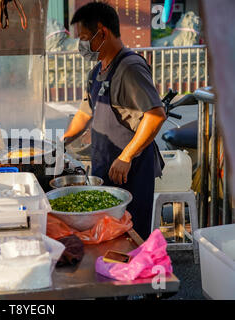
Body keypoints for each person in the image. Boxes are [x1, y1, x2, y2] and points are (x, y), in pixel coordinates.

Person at [62, 3, 166, 240]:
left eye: (85, 37)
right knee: (108, 240)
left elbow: (156, 115)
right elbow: (84, 113)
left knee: (130, 238)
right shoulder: (97, 71)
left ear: (103, 32)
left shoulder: (130, 68)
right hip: (106, 169)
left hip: (130, 172)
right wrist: (62, 142)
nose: (82, 45)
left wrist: (126, 156)